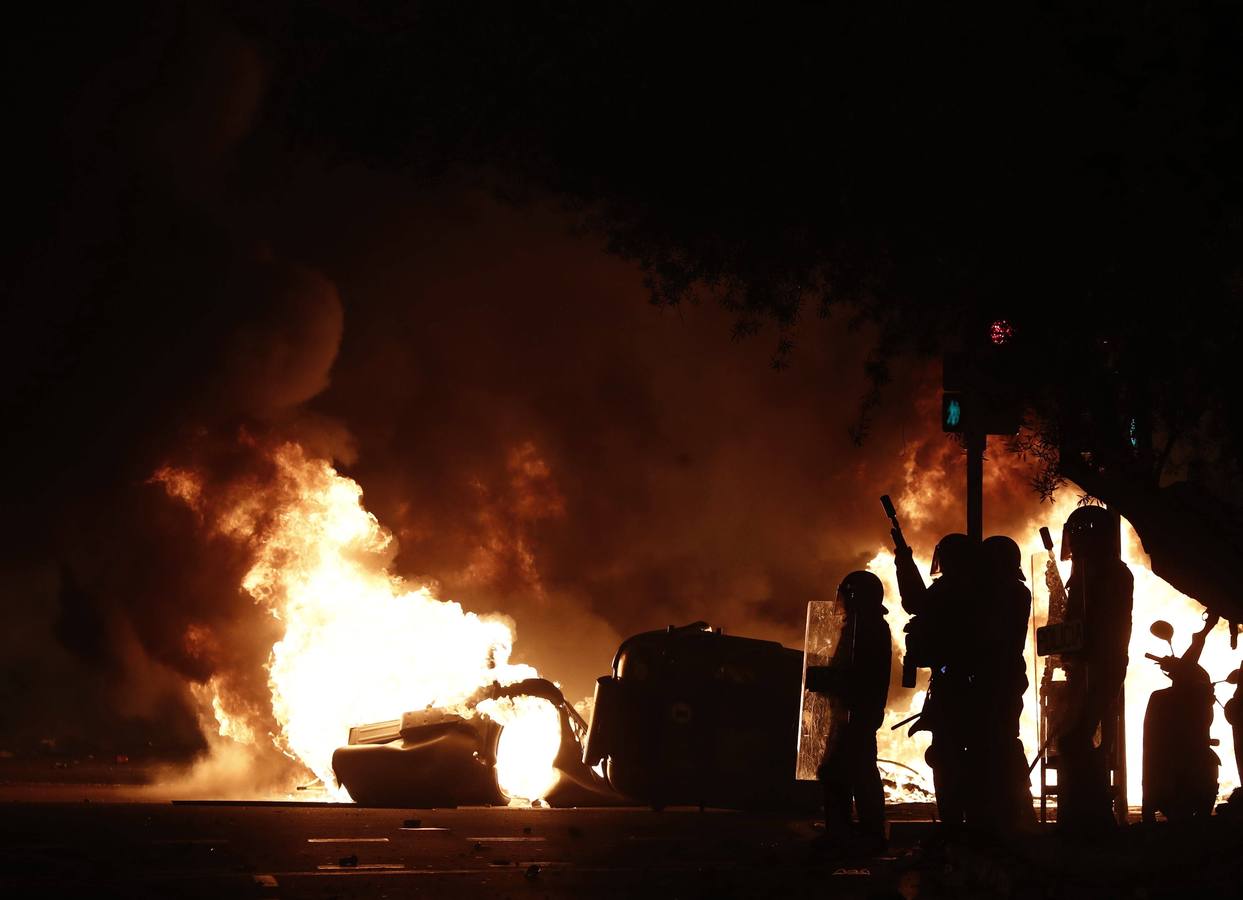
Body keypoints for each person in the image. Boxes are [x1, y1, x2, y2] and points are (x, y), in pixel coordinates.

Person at [1056, 505, 1133, 834]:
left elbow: (1104, 626)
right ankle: (1085, 813)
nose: (1073, 547)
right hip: (1087, 667)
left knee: (1076, 740)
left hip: (1100, 667)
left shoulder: (1109, 574)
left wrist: (1079, 647)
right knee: (1074, 740)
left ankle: (1094, 815)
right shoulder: (1090, 574)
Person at [895, 533, 978, 829]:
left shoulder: (952, 590)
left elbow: (916, 602)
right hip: (964, 683)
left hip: (955, 685)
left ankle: (955, 824)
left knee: (946, 756)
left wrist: (903, 563)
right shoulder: (976, 590)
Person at [808, 570, 892, 853]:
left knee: (846, 772)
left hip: (856, 711)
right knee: (849, 771)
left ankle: (856, 834)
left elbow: (861, 674)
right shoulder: (862, 625)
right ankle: (857, 832)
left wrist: (829, 679)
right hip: (852, 709)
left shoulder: (867, 628)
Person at [972, 535, 1036, 831]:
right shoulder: (1015, 592)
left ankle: (1014, 812)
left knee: (1000, 743)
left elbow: (990, 636)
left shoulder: (1008, 594)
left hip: (999, 676)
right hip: (1006, 675)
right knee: (1003, 742)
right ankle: (1016, 811)